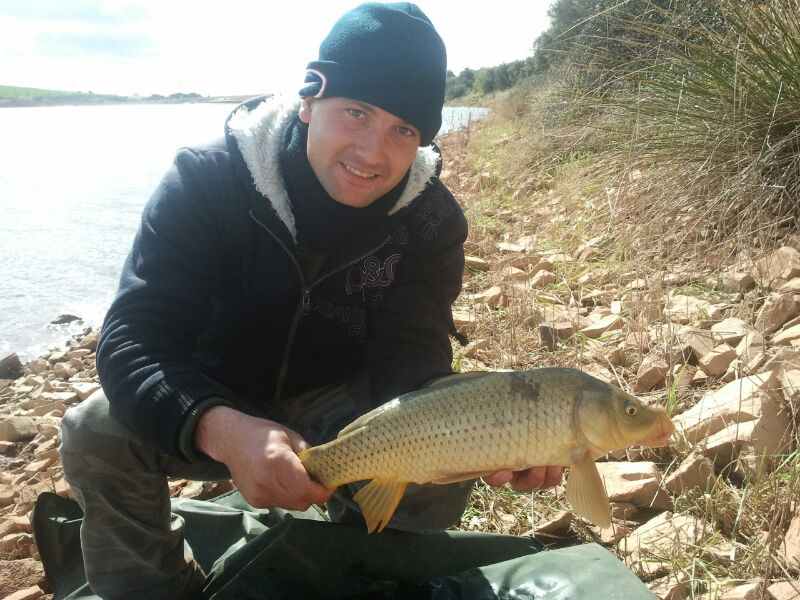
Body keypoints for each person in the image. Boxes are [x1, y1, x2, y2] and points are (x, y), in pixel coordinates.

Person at [60, 3, 561, 598]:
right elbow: (132, 340)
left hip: (344, 406)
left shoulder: (430, 220)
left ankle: (357, 567)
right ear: (309, 100)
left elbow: (412, 362)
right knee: (95, 431)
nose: (373, 153)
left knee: (436, 476)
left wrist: (500, 433)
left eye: (404, 130)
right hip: (215, 391)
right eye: (357, 113)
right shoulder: (208, 181)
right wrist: (222, 430)